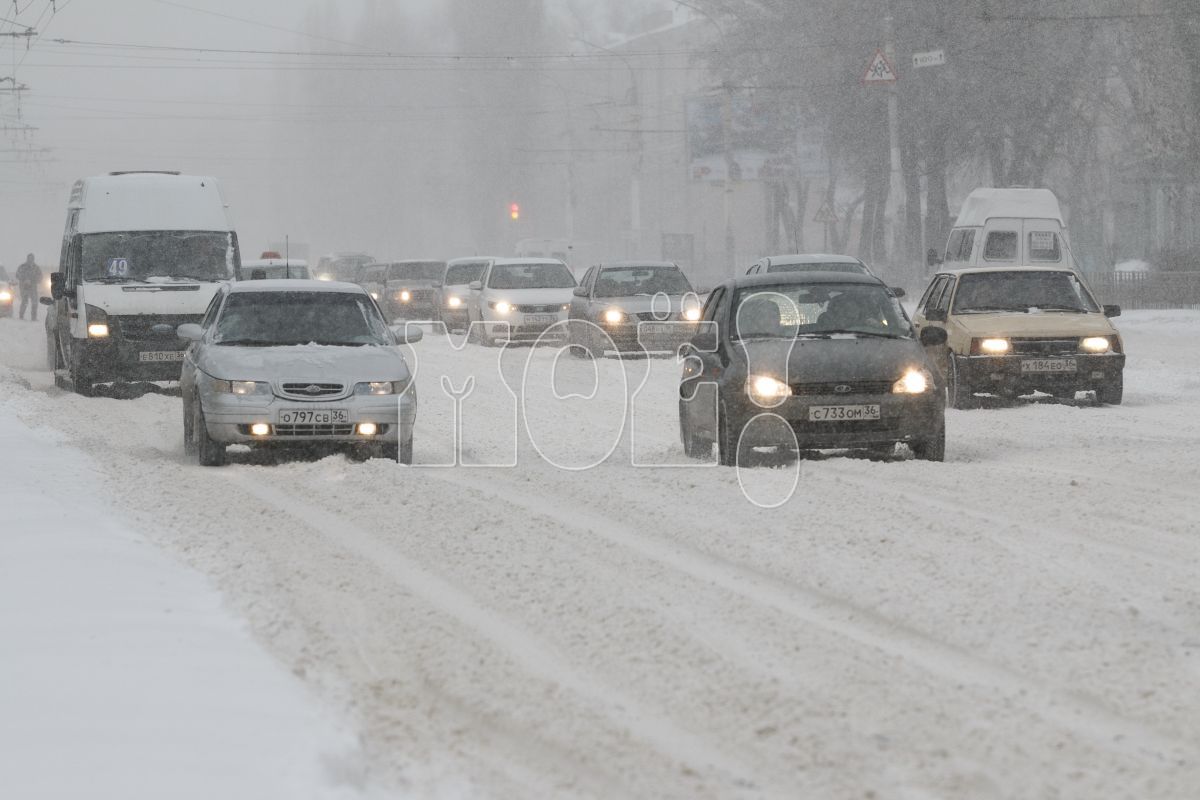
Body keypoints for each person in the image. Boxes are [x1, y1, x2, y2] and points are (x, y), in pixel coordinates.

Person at [16, 253, 42, 322]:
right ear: (27, 259)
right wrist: (25, 279)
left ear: (33, 259)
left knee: (35, 302)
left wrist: (33, 280)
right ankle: (21, 316)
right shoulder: (22, 266)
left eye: (32, 258)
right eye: (29, 258)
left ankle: (33, 317)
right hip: (24, 287)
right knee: (24, 301)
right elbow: (17, 274)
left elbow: (40, 277)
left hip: (33, 287)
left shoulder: (36, 267)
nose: (30, 260)